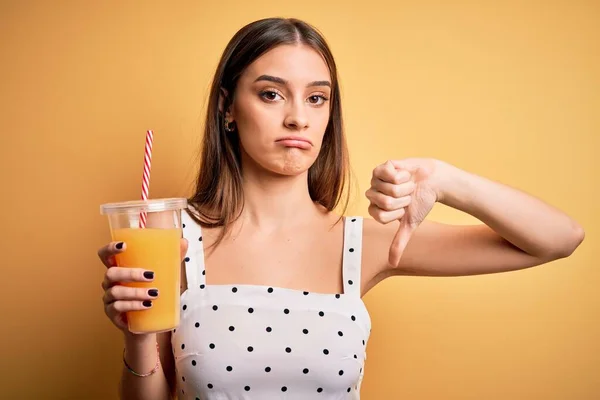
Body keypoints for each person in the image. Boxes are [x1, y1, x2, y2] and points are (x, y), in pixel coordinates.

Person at [97, 17, 585, 400]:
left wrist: (445, 179)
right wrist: (137, 334)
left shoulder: (366, 242)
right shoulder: (171, 235)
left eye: (316, 98)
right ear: (227, 107)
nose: (297, 117)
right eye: (271, 94)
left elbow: (560, 238)